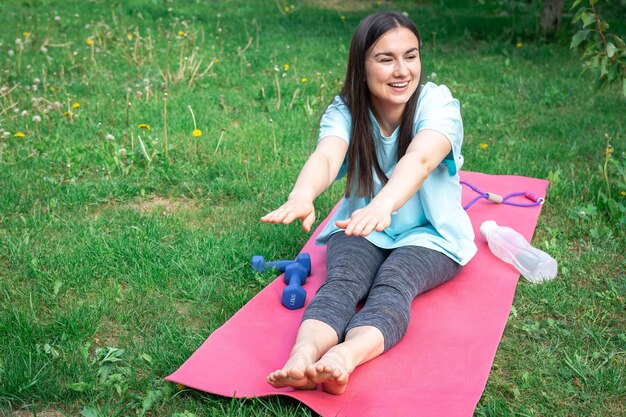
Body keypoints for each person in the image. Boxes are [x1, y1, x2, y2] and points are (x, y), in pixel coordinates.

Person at [261, 11, 477, 395]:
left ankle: (343, 359)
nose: (402, 70)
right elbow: (328, 156)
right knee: (342, 283)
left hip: (428, 236)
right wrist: (302, 194)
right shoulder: (347, 110)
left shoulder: (437, 104)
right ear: (361, 67)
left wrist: (384, 205)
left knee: (394, 283)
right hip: (359, 226)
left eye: (411, 56)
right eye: (385, 58)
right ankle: (302, 356)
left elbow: (421, 159)